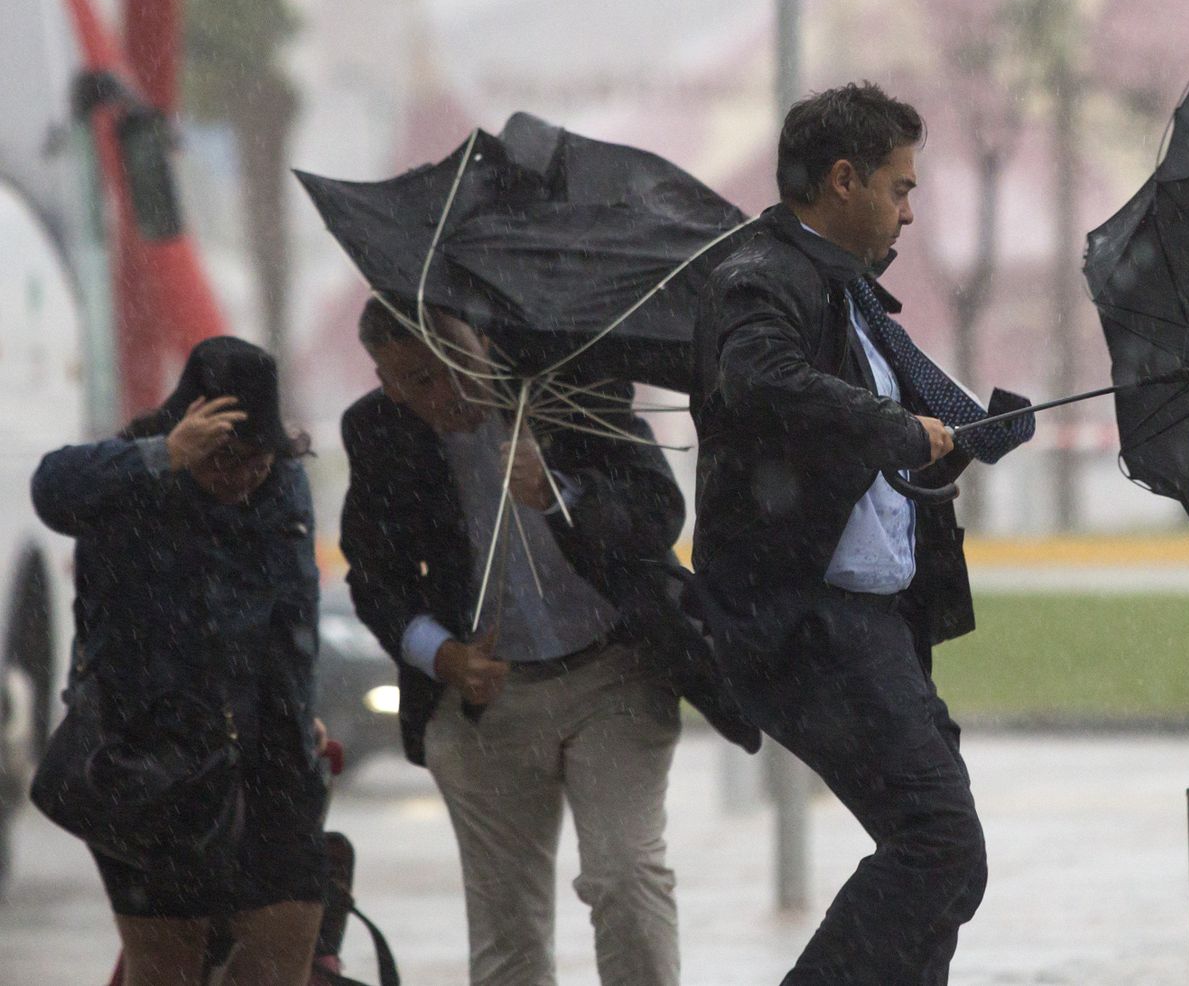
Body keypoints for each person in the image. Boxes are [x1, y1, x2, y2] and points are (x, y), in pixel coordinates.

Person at [690, 81, 986, 985]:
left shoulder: (844, 290)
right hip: (810, 623)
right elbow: (764, 381)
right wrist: (894, 428)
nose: (909, 210)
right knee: (939, 846)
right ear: (844, 181)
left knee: (939, 860)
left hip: (871, 624)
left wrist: (928, 457)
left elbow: (842, 449)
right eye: (901, 188)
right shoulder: (761, 278)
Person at [341, 301, 714, 986]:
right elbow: (374, 574)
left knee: (625, 879)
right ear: (388, 384)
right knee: (507, 929)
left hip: (614, 674)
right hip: (484, 701)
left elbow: (657, 512)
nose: (445, 392)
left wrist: (559, 493)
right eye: (418, 381)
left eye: (456, 363)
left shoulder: (571, 387)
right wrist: (441, 654)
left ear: (483, 338)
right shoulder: (377, 430)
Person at [32, 336, 326, 986]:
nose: (239, 474)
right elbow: (51, 490)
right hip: (150, 760)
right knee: (165, 965)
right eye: (220, 457)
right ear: (186, 429)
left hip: (271, 757)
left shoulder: (284, 489)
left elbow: (296, 616)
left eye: (254, 458)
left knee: (283, 960)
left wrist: (302, 711)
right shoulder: (130, 479)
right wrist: (162, 457)